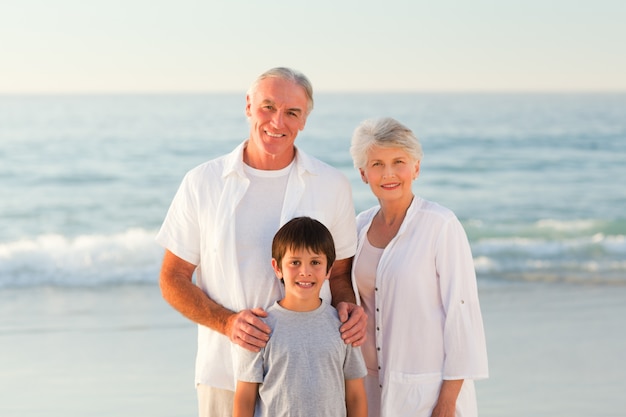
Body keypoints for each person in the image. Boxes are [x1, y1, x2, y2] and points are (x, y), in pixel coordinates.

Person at [155, 67, 366, 417]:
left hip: (312, 383)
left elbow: (340, 275)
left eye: (292, 113)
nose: (277, 121)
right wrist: (227, 323)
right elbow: (172, 278)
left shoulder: (332, 184)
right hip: (224, 373)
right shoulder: (202, 183)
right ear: (249, 106)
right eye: (268, 107)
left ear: (304, 121)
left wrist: (348, 309)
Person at [349, 117, 489, 417]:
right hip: (368, 386)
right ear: (363, 173)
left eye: (399, 161)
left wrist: (447, 402)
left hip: (427, 390)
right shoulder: (358, 228)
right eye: (377, 164)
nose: (388, 173)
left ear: (416, 167)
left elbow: (461, 316)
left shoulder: (441, 225)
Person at [234, 217, 368, 417]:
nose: (305, 272)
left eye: (315, 262)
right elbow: (245, 398)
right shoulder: (260, 328)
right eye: (295, 262)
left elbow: (355, 396)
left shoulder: (343, 327)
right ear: (277, 267)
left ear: (328, 269)